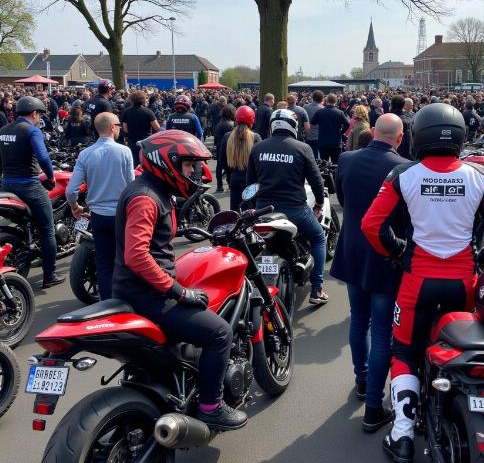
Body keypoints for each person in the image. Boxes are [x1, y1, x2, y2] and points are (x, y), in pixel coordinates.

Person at [361, 103, 484, 463]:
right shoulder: (481, 176)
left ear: (419, 135)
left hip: (416, 281)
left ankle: (401, 434)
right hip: (463, 281)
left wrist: (397, 251)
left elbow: (372, 225)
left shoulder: (404, 175)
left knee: (404, 352)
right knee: (460, 350)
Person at [112, 130, 246, 430]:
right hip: (148, 296)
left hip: (134, 289)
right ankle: (211, 405)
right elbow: (137, 255)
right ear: (167, 162)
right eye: (188, 165)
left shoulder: (150, 190)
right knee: (220, 334)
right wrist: (178, 291)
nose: (194, 171)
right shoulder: (147, 198)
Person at [332, 114, 406, 433]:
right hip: (386, 255)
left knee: (359, 320)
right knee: (381, 331)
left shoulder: (346, 159)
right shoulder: (406, 167)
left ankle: (362, 381)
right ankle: (373, 404)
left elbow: (344, 200)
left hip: (353, 250)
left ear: (373, 132)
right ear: (400, 138)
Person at [247, 109, 329, 305]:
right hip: (295, 210)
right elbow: (317, 181)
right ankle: (317, 289)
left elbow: (250, 184)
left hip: (264, 210)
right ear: (294, 126)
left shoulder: (258, 148)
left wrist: (253, 207)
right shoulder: (302, 148)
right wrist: (319, 202)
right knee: (318, 238)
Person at [66, 113, 135, 300]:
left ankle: (108, 307)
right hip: (121, 215)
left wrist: (75, 207)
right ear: (113, 127)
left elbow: (71, 190)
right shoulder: (124, 151)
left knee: (104, 264)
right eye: (119, 125)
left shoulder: (86, 154)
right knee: (126, 260)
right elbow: (131, 185)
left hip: (98, 215)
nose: (120, 128)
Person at [0, 96, 63, 288]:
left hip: (7, 185)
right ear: (34, 113)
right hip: (29, 185)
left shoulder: (3, 130)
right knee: (47, 229)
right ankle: (50, 275)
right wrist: (51, 177)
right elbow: (43, 158)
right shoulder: (31, 131)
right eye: (39, 115)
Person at [219, 106, 261, 210]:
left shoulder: (227, 136)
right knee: (252, 213)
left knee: (235, 213)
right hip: (252, 182)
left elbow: (222, 162)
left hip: (234, 178)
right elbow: (260, 162)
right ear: (252, 119)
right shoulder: (255, 137)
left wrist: (230, 172)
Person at [122, 91, 161, 167]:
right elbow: (157, 127)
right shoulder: (148, 112)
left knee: (134, 162)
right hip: (146, 141)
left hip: (132, 140)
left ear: (132, 100)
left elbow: (125, 129)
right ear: (143, 99)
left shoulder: (126, 112)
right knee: (147, 162)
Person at [311, 93, 350, 164]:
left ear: (327, 100)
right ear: (336, 101)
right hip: (336, 142)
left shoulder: (320, 112)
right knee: (335, 164)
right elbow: (347, 124)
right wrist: (341, 132)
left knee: (323, 164)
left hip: (323, 142)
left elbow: (313, 122)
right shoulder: (339, 113)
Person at [213, 104, 236, 192]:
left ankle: (219, 185)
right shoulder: (231, 125)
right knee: (229, 167)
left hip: (219, 147)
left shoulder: (219, 124)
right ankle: (230, 183)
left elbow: (216, 137)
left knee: (219, 166)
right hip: (228, 148)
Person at [304, 90, 324, 159]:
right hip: (319, 136)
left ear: (313, 98)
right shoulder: (322, 109)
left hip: (308, 135)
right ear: (321, 99)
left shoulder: (305, 107)